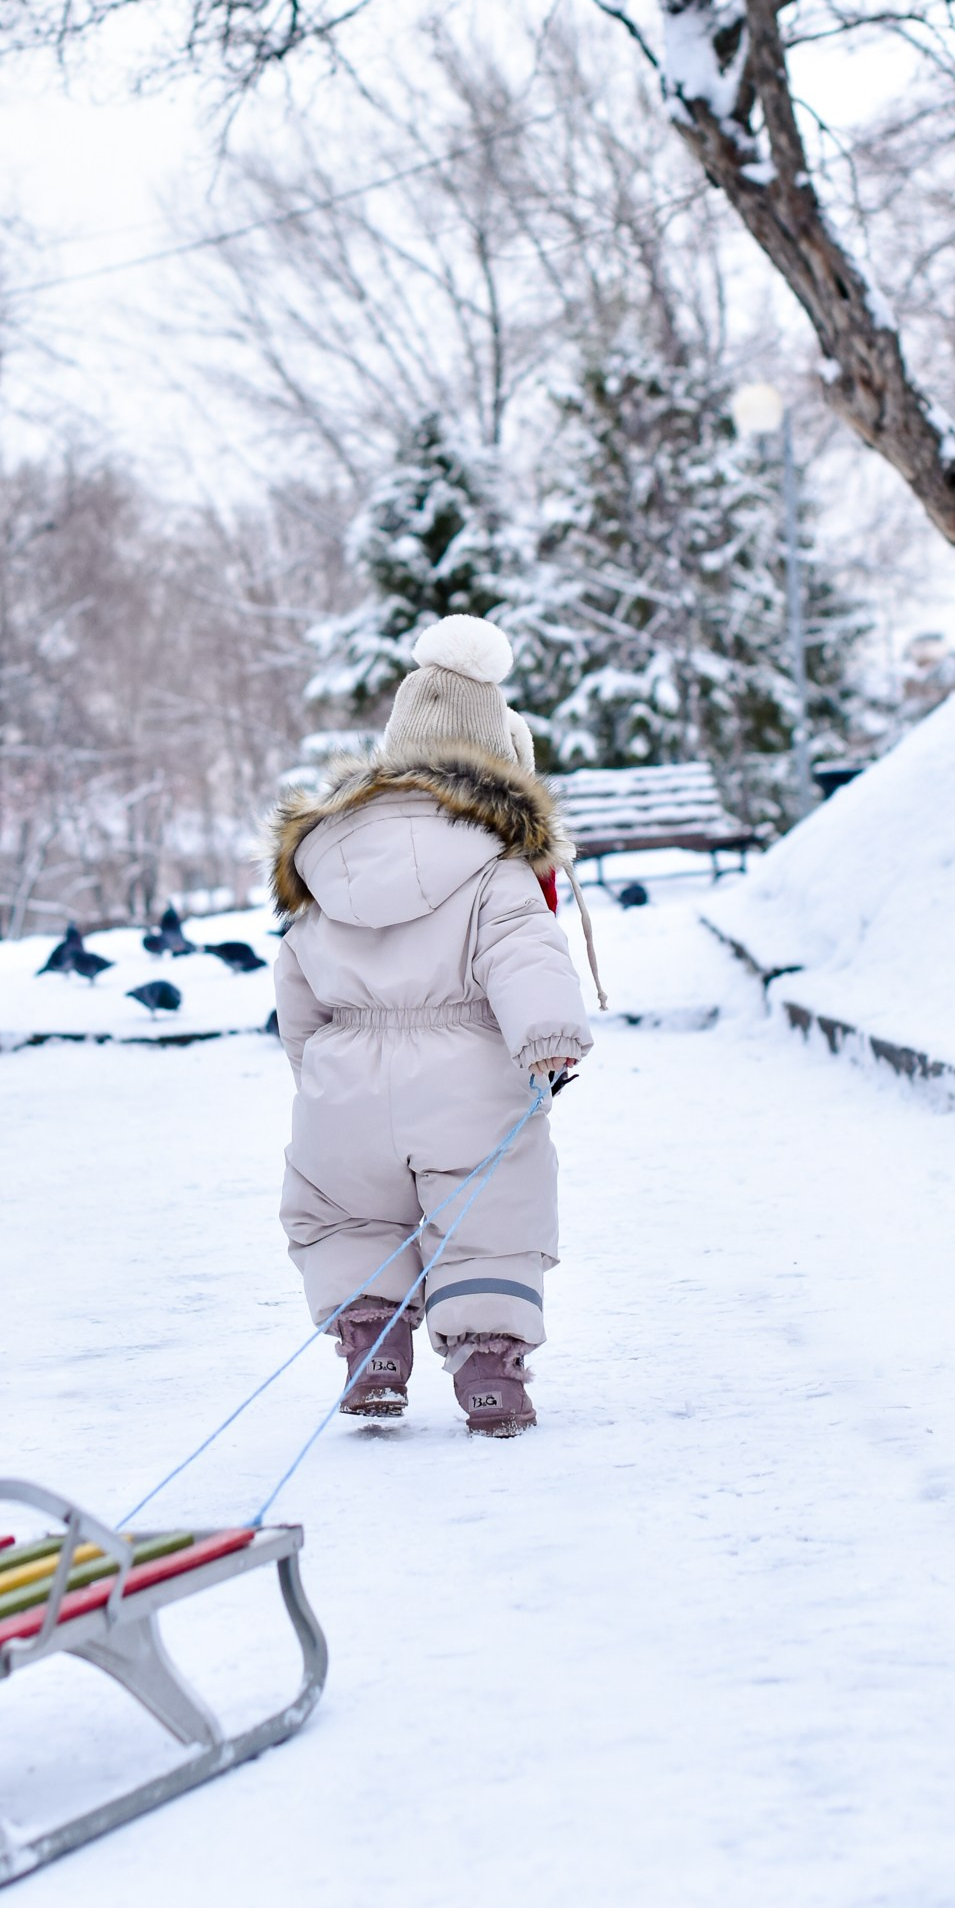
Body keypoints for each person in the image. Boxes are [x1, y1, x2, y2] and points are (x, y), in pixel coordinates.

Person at [270, 614, 594, 1438]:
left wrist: (318, 1069)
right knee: (487, 1223)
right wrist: (546, 1034)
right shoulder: (492, 863)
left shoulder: (329, 859)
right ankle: (487, 1367)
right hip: (468, 1080)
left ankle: (371, 1349)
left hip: (341, 1084)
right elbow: (525, 952)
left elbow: (295, 984)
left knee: (351, 1218)